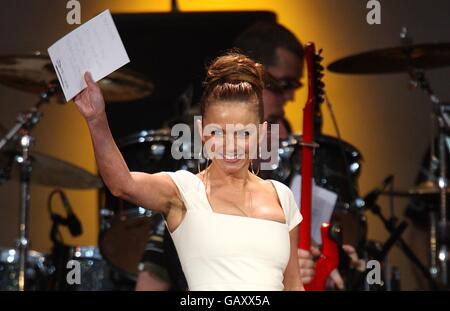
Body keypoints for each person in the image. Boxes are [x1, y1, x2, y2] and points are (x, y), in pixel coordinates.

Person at [74, 52, 304, 290]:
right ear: (201, 131)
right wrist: (96, 119)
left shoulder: (282, 196)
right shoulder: (184, 191)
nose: (231, 146)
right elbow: (122, 184)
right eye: (218, 132)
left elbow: (294, 285)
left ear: (261, 133)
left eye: (243, 133)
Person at [234, 21, 365, 289]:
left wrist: (322, 256)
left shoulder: (276, 133)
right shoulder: (205, 137)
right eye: (283, 84)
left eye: (296, 85)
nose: (292, 97)